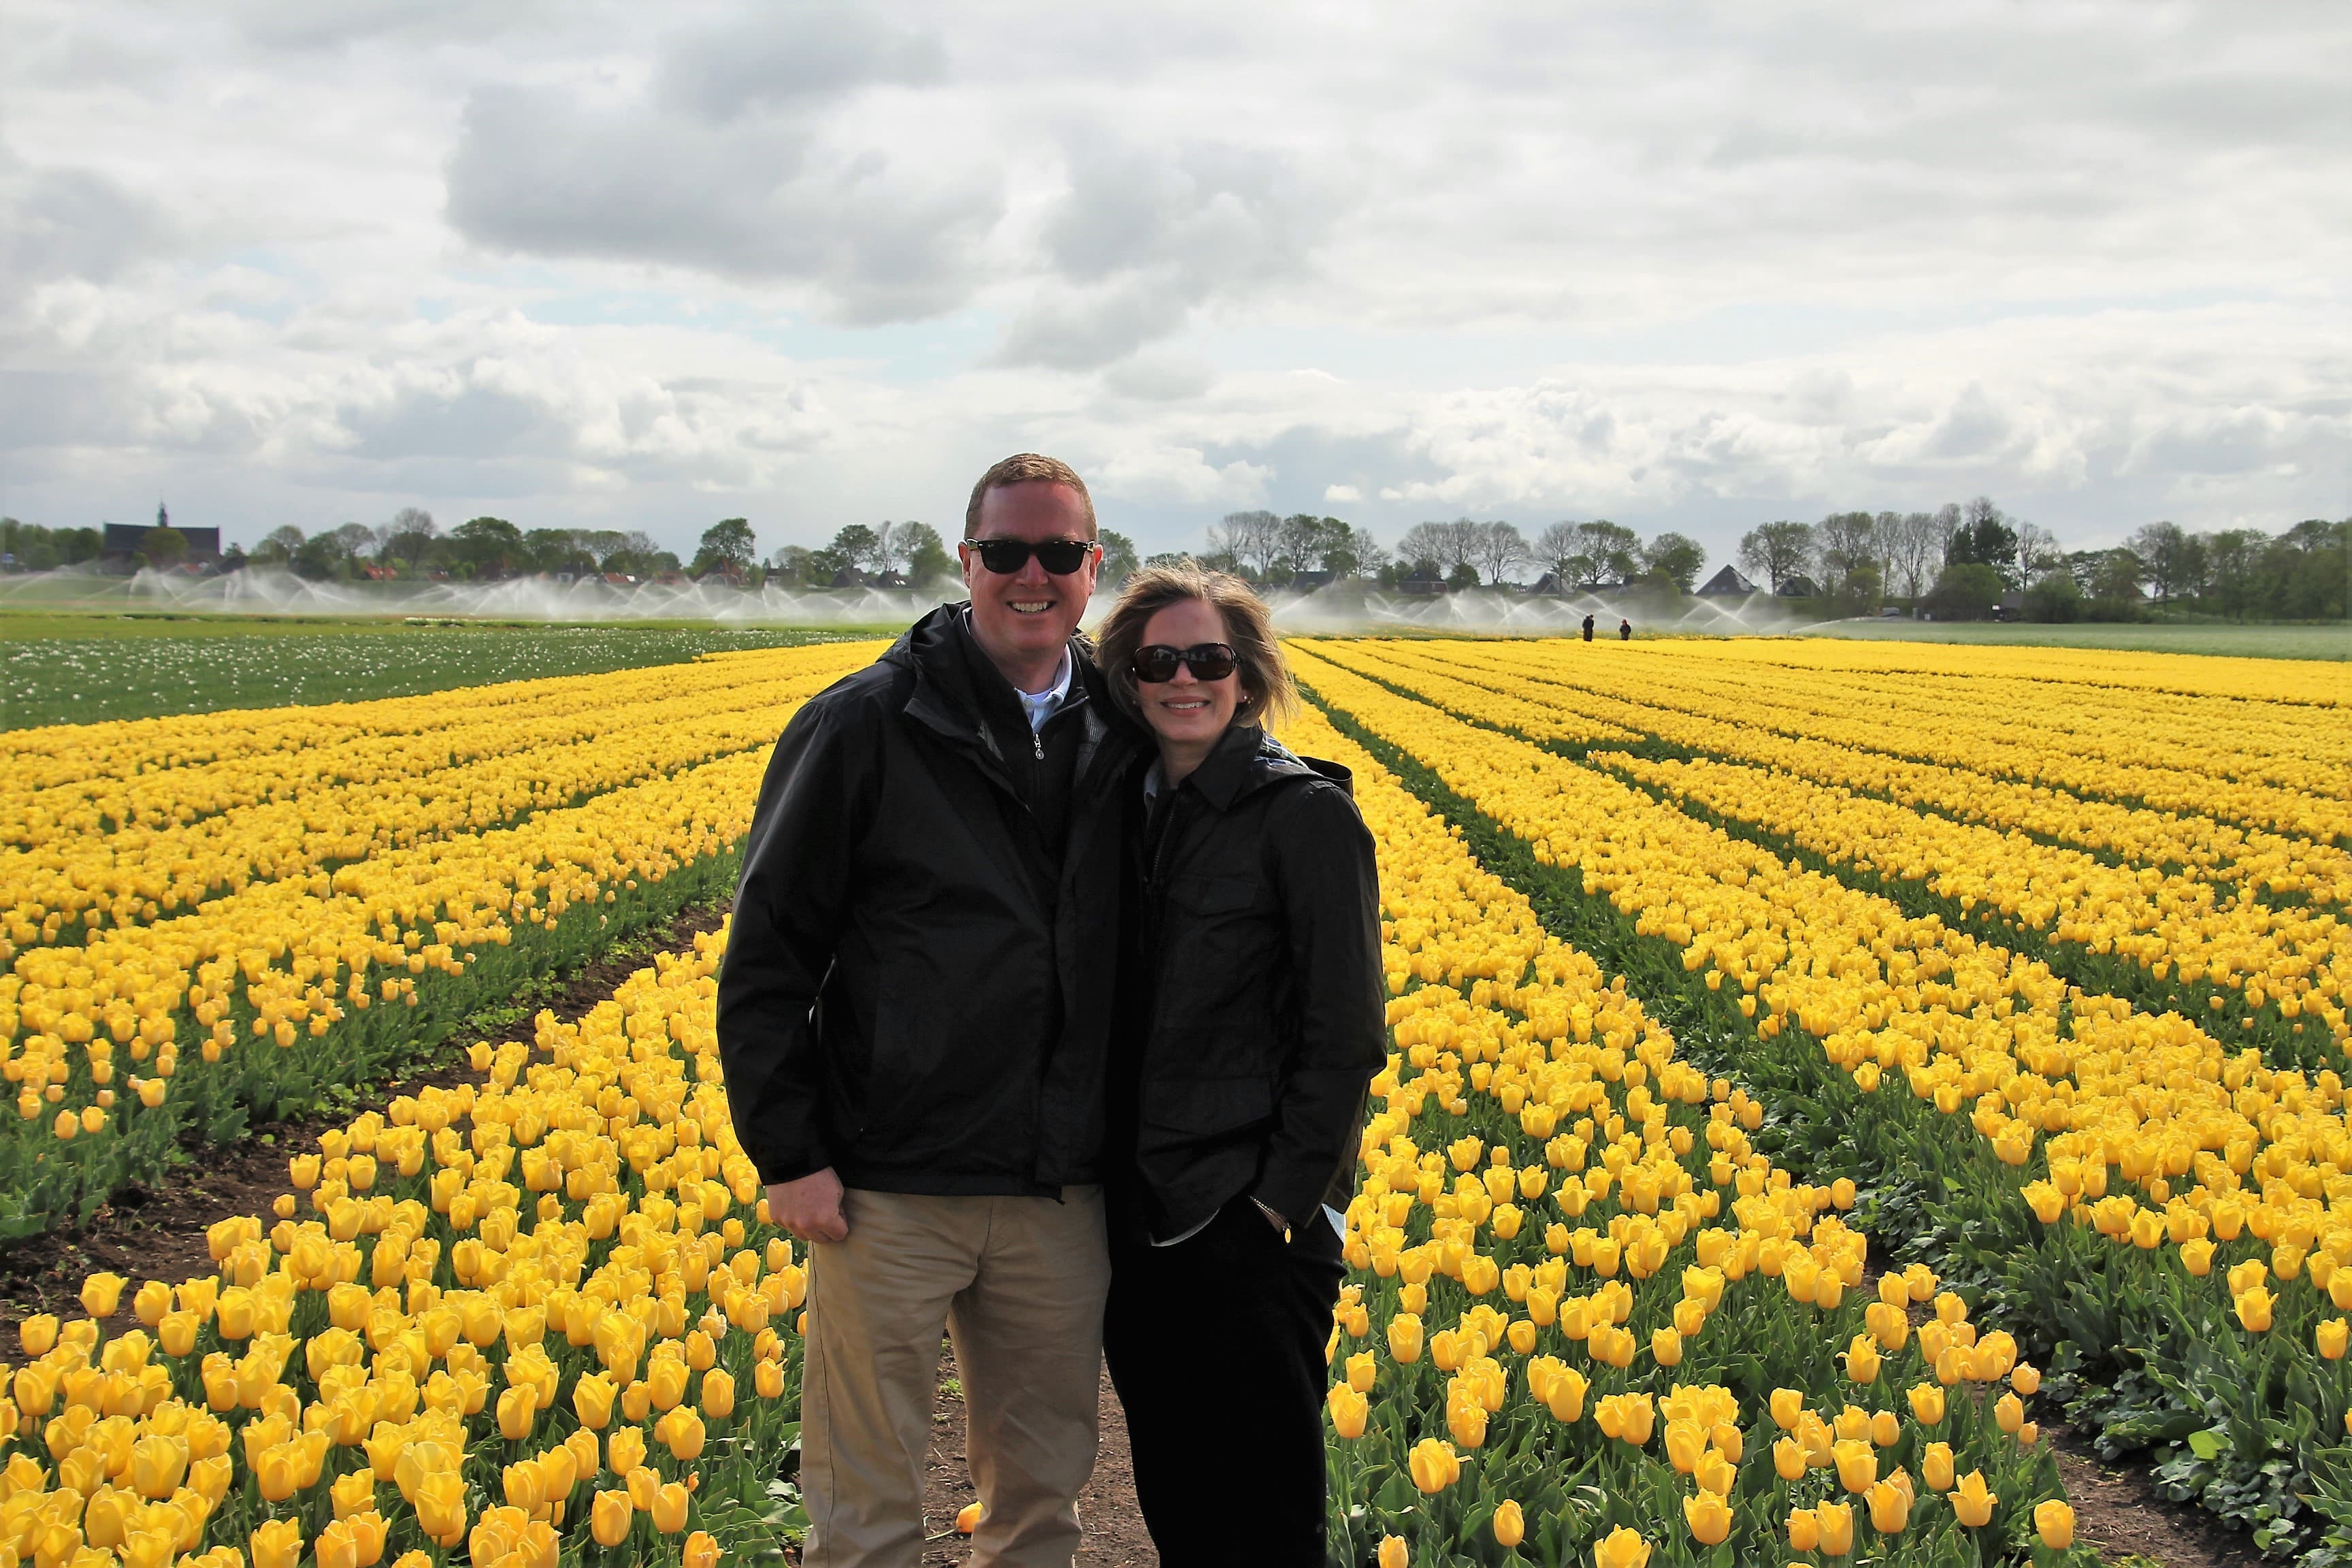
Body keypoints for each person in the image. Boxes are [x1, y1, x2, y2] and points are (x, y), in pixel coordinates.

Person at [717, 453, 1145, 1568]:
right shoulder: (863, 723)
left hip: (1058, 1185)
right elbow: (769, 953)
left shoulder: (1128, 722)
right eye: (1006, 551)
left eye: (1058, 552)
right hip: (887, 1185)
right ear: (966, 562)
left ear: (1093, 567)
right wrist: (789, 1153)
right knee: (864, 1506)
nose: (1032, 575)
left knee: (1042, 1498)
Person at [1094, 564, 1385, 1567]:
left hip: (1249, 1220)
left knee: (1266, 1514)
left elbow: (1346, 1033)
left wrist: (1277, 1206)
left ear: (1249, 676)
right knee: (1179, 1494)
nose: (1184, 679)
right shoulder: (1121, 809)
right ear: (1127, 680)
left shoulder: (1304, 815)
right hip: (1140, 1215)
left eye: (1209, 659)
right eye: (1157, 662)